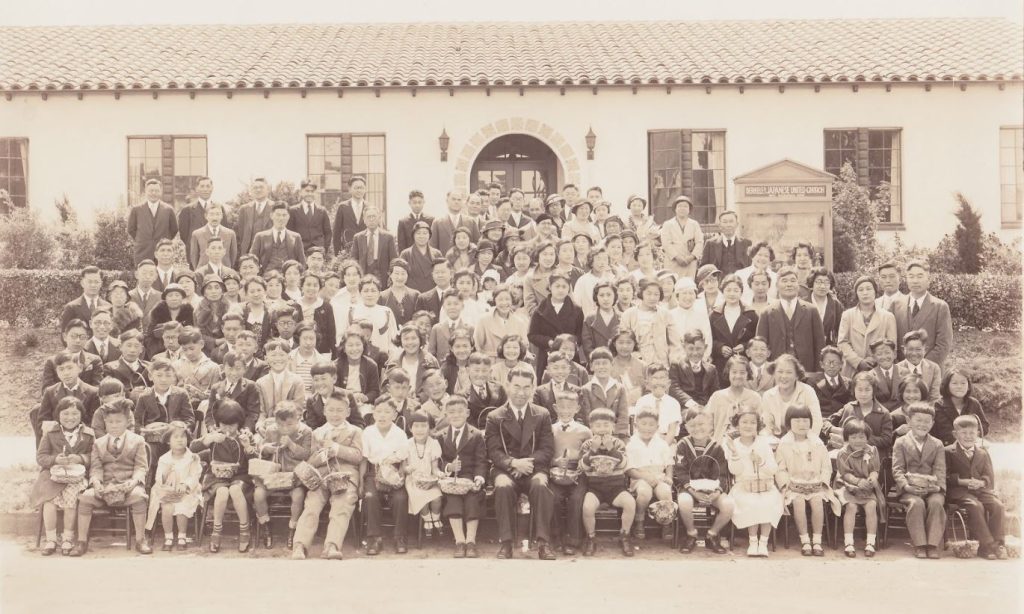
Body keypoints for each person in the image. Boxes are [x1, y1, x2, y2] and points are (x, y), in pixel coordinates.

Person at [485, 367, 557, 560]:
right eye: (516, 386)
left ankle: (543, 543)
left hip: (534, 468)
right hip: (506, 469)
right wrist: (514, 463)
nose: (521, 392)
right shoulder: (495, 417)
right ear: (507, 386)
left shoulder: (542, 414)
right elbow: (493, 451)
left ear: (533, 388)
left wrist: (526, 464)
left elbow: (547, 449)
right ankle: (506, 543)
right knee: (502, 487)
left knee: (541, 486)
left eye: (526, 387)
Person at [69, 400, 151, 556]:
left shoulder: (137, 441)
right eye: (110, 422)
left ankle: (141, 540)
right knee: (85, 498)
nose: (114, 425)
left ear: (127, 422)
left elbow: (141, 467)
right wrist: (96, 482)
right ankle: (81, 541)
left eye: (119, 421)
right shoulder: (98, 443)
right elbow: (96, 467)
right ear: (105, 422)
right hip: (105, 487)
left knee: (139, 496)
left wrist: (133, 482)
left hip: (128, 487)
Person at [291, 390, 363, 560]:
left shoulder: (355, 432)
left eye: (340, 410)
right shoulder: (318, 433)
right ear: (324, 411)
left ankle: (332, 545)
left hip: (346, 476)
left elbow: (358, 456)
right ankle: (300, 545)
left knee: (342, 505)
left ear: (348, 412)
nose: (335, 414)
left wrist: (337, 449)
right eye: (331, 410)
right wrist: (323, 454)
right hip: (322, 476)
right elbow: (311, 461)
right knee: (312, 505)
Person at [31, 397, 95, 556]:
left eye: (75, 413)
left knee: (71, 500)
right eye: (65, 413)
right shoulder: (51, 433)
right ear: (58, 415)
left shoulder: (88, 434)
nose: (70, 418)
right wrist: (55, 460)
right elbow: (41, 457)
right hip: (53, 474)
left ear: (81, 415)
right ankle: (51, 539)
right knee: (49, 501)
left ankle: (67, 538)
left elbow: (94, 456)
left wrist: (80, 458)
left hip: (76, 475)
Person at [774, 405, 840, 557]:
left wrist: (821, 483)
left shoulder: (817, 443)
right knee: (798, 501)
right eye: (796, 421)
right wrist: (788, 484)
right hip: (793, 484)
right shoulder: (784, 444)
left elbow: (826, 467)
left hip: (815, 483)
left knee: (817, 501)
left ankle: (817, 540)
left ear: (810, 422)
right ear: (789, 423)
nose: (802, 424)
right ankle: (805, 540)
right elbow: (780, 468)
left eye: (805, 420)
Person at [945, 415, 1008, 560]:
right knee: (975, 506)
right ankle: (987, 546)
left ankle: (999, 543)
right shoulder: (948, 451)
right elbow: (945, 475)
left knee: (998, 505)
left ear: (978, 434)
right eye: (963, 433)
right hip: (959, 492)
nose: (968, 436)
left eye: (972, 433)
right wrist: (962, 481)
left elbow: (989, 476)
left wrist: (982, 483)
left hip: (980, 490)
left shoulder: (983, 453)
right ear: (955, 434)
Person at [251, 402, 312, 549]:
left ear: (298, 419)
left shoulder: (306, 432)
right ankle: (266, 525)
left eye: (290, 425)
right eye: (280, 425)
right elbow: (262, 448)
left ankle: (293, 528)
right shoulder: (271, 430)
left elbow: (307, 454)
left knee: (298, 496)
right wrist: (267, 449)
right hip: (272, 476)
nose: (284, 429)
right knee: (258, 495)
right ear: (275, 421)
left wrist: (291, 445)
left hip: (294, 476)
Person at [675, 407, 735, 556]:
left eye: (701, 424)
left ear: (710, 426)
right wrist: (692, 491)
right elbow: (680, 471)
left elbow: (721, 474)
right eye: (692, 425)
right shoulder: (683, 445)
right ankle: (691, 534)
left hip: (711, 489)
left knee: (728, 505)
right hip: (689, 488)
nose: (697, 428)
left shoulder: (717, 447)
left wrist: (716, 493)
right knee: (684, 502)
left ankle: (712, 534)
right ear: (686, 427)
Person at [575, 408, 636, 557]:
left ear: (613, 427)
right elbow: (582, 466)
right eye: (598, 425)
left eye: (606, 425)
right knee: (587, 507)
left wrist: (610, 449)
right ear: (591, 427)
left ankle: (624, 535)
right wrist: (593, 451)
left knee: (630, 503)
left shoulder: (619, 444)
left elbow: (623, 464)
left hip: (616, 488)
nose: (602, 429)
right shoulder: (587, 445)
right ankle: (591, 537)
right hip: (595, 488)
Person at [724, 408, 783, 557]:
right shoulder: (733, 444)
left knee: (768, 502)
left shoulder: (763, 443)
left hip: (765, 484)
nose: (748, 426)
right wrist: (735, 453)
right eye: (744, 422)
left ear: (758, 426)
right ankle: (753, 542)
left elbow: (773, 469)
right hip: (742, 486)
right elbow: (734, 471)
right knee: (751, 503)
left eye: (752, 422)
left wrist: (761, 461)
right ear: (737, 425)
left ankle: (763, 542)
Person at [891, 402, 947, 559]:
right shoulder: (900, 442)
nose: (922, 424)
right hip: (909, 489)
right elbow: (897, 469)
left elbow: (940, 469)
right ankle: (920, 544)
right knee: (917, 503)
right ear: (908, 421)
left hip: (932, 488)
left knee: (936, 503)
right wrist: (906, 486)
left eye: (927, 421)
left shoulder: (937, 444)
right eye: (918, 420)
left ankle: (933, 544)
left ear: (932, 423)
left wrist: (937, 487)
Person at [360, 397, 411, 555]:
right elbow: (363, 459)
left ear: (394, 415)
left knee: (400, 498)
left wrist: (400, 476)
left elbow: (404, 459)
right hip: (373, 472)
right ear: (373, 413)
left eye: (387, 412)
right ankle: (374, 538)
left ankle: (399, 537)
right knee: (370, 497)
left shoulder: (400, 433)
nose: (382, 416)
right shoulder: (368, 432)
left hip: (394, 471)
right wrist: (361, 483)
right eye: (379, 411)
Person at [438, 396, 487, 558]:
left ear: (467, 413)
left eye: (460, 412)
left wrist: (479, 478)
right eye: (451, 412)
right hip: (451, 480)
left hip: (471, 478)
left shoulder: (477, 435)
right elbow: (439, 460)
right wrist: (448, 467)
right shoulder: (441, 435)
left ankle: (470, 541)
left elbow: (481, 460)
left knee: (472, 500)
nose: (456, 415)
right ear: (446, 414)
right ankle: (459, 541)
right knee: (453, 501)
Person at [755, 266, 825, 373]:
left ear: (798, 285)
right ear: (777, 285)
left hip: (806, 371)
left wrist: (818, 372)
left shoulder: (811, 310)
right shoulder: (767, 313)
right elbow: (760, 346)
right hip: (776, 372)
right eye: (784, 281)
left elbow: (819, 344)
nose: (789, 284)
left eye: (793, 280)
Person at [145, 421, 203, 552]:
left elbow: (195, 475)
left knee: (182, 506)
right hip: (168, 491)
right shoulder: (164, 459)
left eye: (183, 437)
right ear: (168, 441)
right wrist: (166, 476)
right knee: (167, 507)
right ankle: (168, 536)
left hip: (187, 491)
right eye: (175, 437)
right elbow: (158, 478)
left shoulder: (192, 458)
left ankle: (182, 536)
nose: (180, 440)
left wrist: (185, 484)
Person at [834, 418, 885, 558]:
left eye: (862, 437)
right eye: (854, 437)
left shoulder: (872, 450)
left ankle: (870, 542)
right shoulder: (843, 453)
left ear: (867, 437)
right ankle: (849, 542)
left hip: (866, 488)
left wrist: (873, 477)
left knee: (871, 505)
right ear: (847, 438)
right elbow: (845, 475)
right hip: (847, 486)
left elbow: (875, 469)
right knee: (851, 507)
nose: (858, 440)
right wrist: (857, 481)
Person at [625, 408, 675, 541]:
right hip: (639, 477)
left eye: (651, 424)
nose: (647, 428)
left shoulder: (662, 444)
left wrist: (668, 477)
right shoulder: (631, 445)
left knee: (665, 492)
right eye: (644, 424)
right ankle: (639, 521)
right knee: (644, 492)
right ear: (636, 425)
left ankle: (666, 522)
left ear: (657, 427)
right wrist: (645, 477)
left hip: (659, 476)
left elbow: (669, 462)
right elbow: (629, 470)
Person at [892, 260, 954, 367]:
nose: (915, 281)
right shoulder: (895, 305)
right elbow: (892, 339)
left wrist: (922, 367)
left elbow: (943, 344)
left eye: (920, 276)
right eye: (911, 276)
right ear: (906, 279)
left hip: (930, 370)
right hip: (901, 371)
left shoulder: (940, 306)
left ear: (928, 280)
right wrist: (902, 366)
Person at [837, 275, 897, 376]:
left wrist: (874, 359)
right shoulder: (847, 315)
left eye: (869, 289)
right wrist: (858, 362)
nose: (865, 293)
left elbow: (892, 346)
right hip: (852, 370)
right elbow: (842, 343)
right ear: (856, 293)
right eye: (860, 290)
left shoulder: (888, 317)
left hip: (879, 368)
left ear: (875, 291)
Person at [528, 273, 583, 382]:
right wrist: (549, 342)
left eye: (564, 287)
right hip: (547, 356)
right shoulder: (540, 310)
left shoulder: (576, 310)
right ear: (550, 287)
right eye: (557, 286)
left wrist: (569, 346)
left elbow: (579, 335)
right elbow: (532, 335)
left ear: (569, 289)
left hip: (570, 357)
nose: (560, 290)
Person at [38, 351, 101, 442]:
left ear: (80, 368)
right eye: (61, 369)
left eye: (69, 368)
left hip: (83, 440)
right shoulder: (50, 392)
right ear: (57, 372)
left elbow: (94, 422)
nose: (66, 373)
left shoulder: (93, 392)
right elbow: (42, 421)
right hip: (57, 439)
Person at [620, 278, 679, 368]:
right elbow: (624, 341)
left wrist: (673, 363)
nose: (652, 298)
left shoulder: (665, 314)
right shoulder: (628, 315)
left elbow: (674, 342)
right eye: (648, 293)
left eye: (656, 294)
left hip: (661, 362)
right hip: (636, 361)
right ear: (642, 294)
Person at [760, 354, 822, 438]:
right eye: (780, 372)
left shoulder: (808, 391)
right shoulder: (768, 395)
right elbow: (767, 425)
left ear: (797, 375)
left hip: (804, 439)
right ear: (774, 374)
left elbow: (816, 422)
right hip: (777, 440)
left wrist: (809, 442)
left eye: (789, 372)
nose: (784, 376)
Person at [709, 274, 758, 380]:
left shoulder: (751, 314)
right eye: (728, 290)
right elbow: (709, 339)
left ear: (741, 292)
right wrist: (719, 348)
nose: (732, 294)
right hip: (721, 365)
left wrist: (745, 347)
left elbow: (756, 338)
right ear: (722, 291)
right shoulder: (714, 315)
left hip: (743, 365)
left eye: (736, 290)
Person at [403, 412, 444, 537]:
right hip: (413, 480)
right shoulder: (407, 444)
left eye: (423, 426)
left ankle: (436, 517)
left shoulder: (434, 443)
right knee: (421, 497)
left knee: (437, 497)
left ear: (429, 428)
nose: (420, 430)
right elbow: (404, 467)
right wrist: (409, 469)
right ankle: (427, 519)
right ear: (410, 428)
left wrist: (439, 474)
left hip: (430, 479)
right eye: (416, 426)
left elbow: (434, 468)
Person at [707, 356, 762, 442]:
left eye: (742, 372)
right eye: (734, 372)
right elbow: (707, 425)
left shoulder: (755, 398)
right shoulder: (717, 397)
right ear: (728, 373)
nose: (738, 376)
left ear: (748, 374)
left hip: (748, 447)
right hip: (720, 447)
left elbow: (760, 426)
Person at [578, 348, 630, 439]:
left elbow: (623, 416)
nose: (601, 367)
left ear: (612, 365)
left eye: (605, 363)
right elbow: (586, 416)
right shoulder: (585, 389)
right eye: (597, 363)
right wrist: (594, 436)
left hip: (616, 436)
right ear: (591, 366)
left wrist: (616, 436)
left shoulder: (620, 388)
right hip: (593, 437)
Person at [205, 351, 261, 432]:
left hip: (240, 430)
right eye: (230, 368)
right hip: (220, 430)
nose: (234, 373)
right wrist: (211, 427)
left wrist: (246, 428)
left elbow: (252, 413)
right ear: (223, 368)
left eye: (238, 369)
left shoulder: (251, 386)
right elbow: (210, 413)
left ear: (245, 369)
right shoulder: (216, 388)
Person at [668, 330, 718, 418]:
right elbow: (674, 388)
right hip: (685, 407)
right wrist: (691, 404)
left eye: (698, 348)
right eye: (691, 348)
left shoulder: (711, 369)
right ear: (684, 347)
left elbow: (715, 392)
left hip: (706, 407)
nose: (695, 353)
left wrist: (708, 407)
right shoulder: (677, 365)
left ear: (705, 347)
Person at [127, 178, 178, 265]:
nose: (153, 193)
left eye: (156, 191)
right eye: (151, 191)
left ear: (160, 192)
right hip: (142, 252)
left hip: (163, 253)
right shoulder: (136, 210)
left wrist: (163, 241)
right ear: (145, 191)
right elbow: (131, 229)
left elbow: (174, 229)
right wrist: (143, 239)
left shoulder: (168, 209)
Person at [42, 319, 103, 391]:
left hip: (88, 401)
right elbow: (47, 391)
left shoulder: (95, 360)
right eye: (73, 336)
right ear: (65, 337)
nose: (78, 340)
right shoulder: (52, 362)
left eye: (82, 337)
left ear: (87, 338)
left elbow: (97, 388)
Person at [932, 369, 989, 446]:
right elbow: (945, 431)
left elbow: (984, 427)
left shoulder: (974, 403)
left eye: (963, 383)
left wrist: (972, 435)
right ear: (947, 385)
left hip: (971, 444)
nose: (959, 387)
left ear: (968, 386)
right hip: (947, 447)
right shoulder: (939, 405)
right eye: (954, 383)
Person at [255, 340, 306, 426]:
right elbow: (261, 412)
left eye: (282, 355)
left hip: (291, 425)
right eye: (273, 355)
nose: (278, 359)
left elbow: (298, 410)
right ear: (266, 359)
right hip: (267, 425)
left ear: (289, 357)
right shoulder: (260, 383)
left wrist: (277, 422)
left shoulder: (297, 381)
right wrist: (260, 425)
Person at [334, 332, 380, 422]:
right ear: (344, 348)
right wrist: (350, 395)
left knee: (367, 417)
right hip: (342, 402)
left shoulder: (371, 365)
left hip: (363, 404)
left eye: (358, 345)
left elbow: (375, 391)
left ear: (363, 347)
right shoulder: (336, 365)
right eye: (350, 345)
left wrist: (365, 397)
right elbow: (333, 388)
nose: (354, 349)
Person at [250, 202, 306, 273]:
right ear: (271, 216)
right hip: (266, 277)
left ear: (288, 217)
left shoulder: (296, 237)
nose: (281, 218)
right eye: (278, 215)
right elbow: (252, 260)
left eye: (284, 215)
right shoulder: (260, 237)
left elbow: (302, 262)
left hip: (288, 277)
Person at [178, 176, 222, 264]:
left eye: (208, 186)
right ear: (197, 189)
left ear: (212, 188)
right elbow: (184, 235)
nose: (205, 189)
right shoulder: (187, 210)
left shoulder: (220, 209)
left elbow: (222, 231)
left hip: (216, 254)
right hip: (195, 254)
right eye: (202, 186)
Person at [350, 205, 397, 286]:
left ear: (379, 218)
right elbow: (354, 259)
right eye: (368, 217)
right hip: (364, 273)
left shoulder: (388, 237)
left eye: (374, 216)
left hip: (383, 275)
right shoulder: (358, 237)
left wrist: (391, 276)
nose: (371, 219)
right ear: (364, 220)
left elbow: (394, 260)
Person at [660, 195, 704, 279]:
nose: (682, 208)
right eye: (679, 206)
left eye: (685, 206)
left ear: (689, 210)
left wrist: (691, 257)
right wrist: (677, 257)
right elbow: (666, 243)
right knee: (673, 283)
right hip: (673, 262)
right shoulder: (668, 224)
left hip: (690, 263)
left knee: (688, 286)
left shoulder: (694, 224)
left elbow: (700, 242)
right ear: (675, 209)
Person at [669, 278, 712, 364]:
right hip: (676, 362)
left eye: (691, 293)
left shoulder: (701, 315)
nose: (688, 297)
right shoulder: (670, 315)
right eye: (684, 293)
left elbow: (708, 340)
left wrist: (701, 360)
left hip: (698, 362)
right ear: (677, 296)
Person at [102, 330, 151, 402]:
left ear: (141, 349)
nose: (132, 350)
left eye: (136, 346)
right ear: (120, 347)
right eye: (129, 345)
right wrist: (129, 395)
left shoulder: (149, 367)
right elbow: (109, 393)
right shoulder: (110, 368)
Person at [287, 179, 332, 255]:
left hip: (318, 251)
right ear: (301, 192)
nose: (310, 194)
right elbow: (289, 232)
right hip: (300, 250)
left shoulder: (322, 210)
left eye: (312, 191)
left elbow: (328, 232)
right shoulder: (293, 210)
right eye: (307, 191)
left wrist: (324, 247)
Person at [896, 329, 942, 402]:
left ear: (925, 350)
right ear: (903, 350)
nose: (914, 353)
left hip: (926, 410)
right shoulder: (896, 369)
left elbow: (935, 397)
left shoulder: (934, 368)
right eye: (910, 349)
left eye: (918, 350)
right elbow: (897, 398)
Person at [189, 202, 238, 270]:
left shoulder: (230, 234)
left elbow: (233, 256)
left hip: (224, 271)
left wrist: (227, 268)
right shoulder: (197, 234)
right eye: (211, 214)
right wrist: (199, 270)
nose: (215, 217)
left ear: (222, 216)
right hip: (204, 272)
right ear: (206, 216)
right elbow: (194, 256)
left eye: (218, 214)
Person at [700, 210, 750, 275]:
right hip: (717, 282)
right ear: (720, 225)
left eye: (731, 221)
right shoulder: (710, 244)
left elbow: (750, 267)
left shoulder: (746, 243)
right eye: (725, 222)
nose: (728, 225)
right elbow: (703, 268)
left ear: (737, 224)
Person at [60, 266, 111, 330]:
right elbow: (64, 334)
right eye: (89, 282)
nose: (93, 285)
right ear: (82, 283)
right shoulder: (71, 307)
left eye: (96, 282)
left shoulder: (108, 307)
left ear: (101, 284)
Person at [430, 189, 479, 255]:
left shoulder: (471, 222)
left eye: (459, 200)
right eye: (453, 199)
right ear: (447, 201)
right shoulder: (437, 223)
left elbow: (476, 245)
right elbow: (433, 248)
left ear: (462, 202)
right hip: (444, 263)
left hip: (466, 263)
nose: (456, 202)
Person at [808, 346, 852, 420]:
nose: (832, 366)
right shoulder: (812, 383)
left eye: (835, 362)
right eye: (828, 362)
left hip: (842, 420)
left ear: (841, 364)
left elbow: (851, 407)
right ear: (822, 364)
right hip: (820, 421)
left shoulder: (849, 383)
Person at [235, 178, 275, 258]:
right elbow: (240, 233)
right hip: (248, 252)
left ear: (268, 189)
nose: (258, 190)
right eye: (255, 188)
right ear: (251, 191)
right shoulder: (244, 209)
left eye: (261, 187)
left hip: (270, 252)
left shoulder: (275, 207)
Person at [581, 281, 620, 362]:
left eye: (609, 295)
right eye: (601, 295)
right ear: (596, 297)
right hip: (596, 363)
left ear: (615, 296)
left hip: (618, 363)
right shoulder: (590, 319)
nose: (605, 298)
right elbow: (587, 346)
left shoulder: (622, 318)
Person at [331, 175, 369, 254]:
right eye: (356, 188)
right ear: (350, 189)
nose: (359, 190)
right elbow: (336, 232)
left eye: (361, 188)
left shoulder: (370, 207)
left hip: (367, 250)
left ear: (365, 189)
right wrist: (338, 253)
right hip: (347, 251)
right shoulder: (343, 207)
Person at [805, 267, 842, 346]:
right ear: (812, 283)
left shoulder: (836, 305)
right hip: (807, 348)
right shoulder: (802, 304)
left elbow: (841, 331)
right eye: (818, 282)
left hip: (829, 350)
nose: (822, 286)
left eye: (826, 282)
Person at [380, 259, 420, 327]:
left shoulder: (415, 295)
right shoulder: (382, 296)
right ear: (390, 274)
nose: (400, 277)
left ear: (407, 275)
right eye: (396, 273)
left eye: (403, 273)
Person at [523, 241, 558, 317]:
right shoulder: (529, 278)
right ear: (537, 255)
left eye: (552, 254)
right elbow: (530, 307)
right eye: (544, 254)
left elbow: (571, 302)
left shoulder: (562, 274)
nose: (548, 258)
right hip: (541, 321)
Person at [869, 339, 903, 410]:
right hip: (880, 415)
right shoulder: (870, 376)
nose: (884, 357)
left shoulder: (905, 373)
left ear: (894, 354)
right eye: (879, 354)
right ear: (874, 357)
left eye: (887, 352)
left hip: (901, 414)